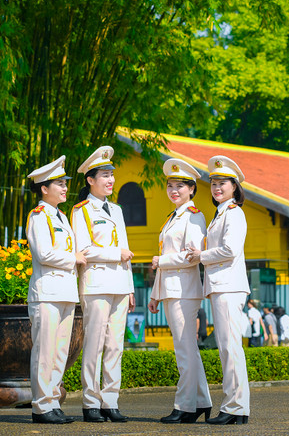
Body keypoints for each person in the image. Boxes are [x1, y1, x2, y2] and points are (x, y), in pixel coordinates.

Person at [72, 145, 136, 423]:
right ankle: (90, 402)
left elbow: (127, 250)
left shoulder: (117, 210)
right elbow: (83, 250)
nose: (111, 180)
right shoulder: (81, 211)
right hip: (96, 284)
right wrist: (115, 254)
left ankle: (110, 401)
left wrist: (130, 287)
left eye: (112, 175)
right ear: (90, 180)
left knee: (115, 346)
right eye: (105, 175)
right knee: (94, 346)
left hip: (119, 285)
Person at [186, 155, 251, 425]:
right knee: (227, 347)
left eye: (222, 183)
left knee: (229, 348)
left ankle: (235, 407)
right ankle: (237, 408)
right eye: (213, 183)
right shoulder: (221, 213)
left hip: (228, 286)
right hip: (222, 286)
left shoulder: (234, 213)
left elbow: (230, 250)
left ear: (234, 186)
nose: (216, 188)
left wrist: (201, 255)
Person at [147, 158, 212, 424]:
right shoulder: (171, 218)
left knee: (184, 351)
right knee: (188, 350)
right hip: (171, 290)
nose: (174, 191)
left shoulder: (194, 216)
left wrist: (160, 261)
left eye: (180, 186)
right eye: (170, 186)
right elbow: (167, 257)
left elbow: (191, 256)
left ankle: (184, 406)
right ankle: (202, 402)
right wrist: (155, 293)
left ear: (191, 189)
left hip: (184, 290)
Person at [26, 155, 87, 424]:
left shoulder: (61, 216)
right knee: (45, 351)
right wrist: (74, 258)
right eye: (59, 184)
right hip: (47, 293)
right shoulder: (38, 216)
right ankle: (41, 406)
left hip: (65, 292)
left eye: (65, 183)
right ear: (44, 188)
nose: (65, 188)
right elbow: (43, 254)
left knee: (60, 351)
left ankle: (52, 401)